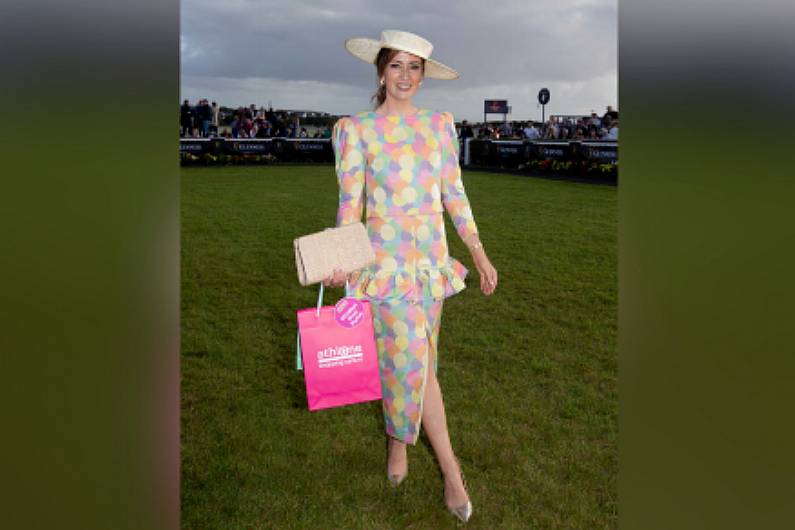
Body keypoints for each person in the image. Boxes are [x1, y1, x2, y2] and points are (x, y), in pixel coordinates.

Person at [323, 30, 497, 524]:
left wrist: (478, 254)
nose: (405, 76)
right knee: (412, 360)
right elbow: (349, 203)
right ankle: (451, 470)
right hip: (383, 269)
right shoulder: (354, 129)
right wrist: (343, 256)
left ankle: (397, 444)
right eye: (396, 65)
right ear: (381, 70)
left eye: (414, 67)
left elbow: (454, 196)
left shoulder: (440, 126)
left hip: (431, 266)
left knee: (419, 362)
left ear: (423, 74)